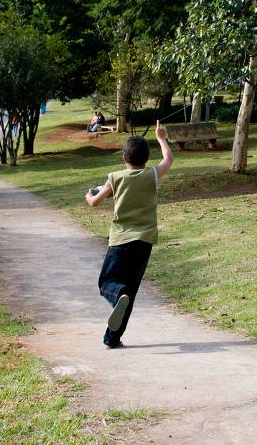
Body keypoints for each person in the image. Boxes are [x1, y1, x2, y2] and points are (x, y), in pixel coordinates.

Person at [84, 120, 173, 348]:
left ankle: (117, 294)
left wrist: (89, 195)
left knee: (107, 283)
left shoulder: (115, 177)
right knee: (130, 292)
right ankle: (112, 338)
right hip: (144, 242)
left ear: (124, 158)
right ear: (145, 158)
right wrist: (161, 137)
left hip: (120, 240)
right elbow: (168, 160)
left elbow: (95, 202)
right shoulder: (152, 175)